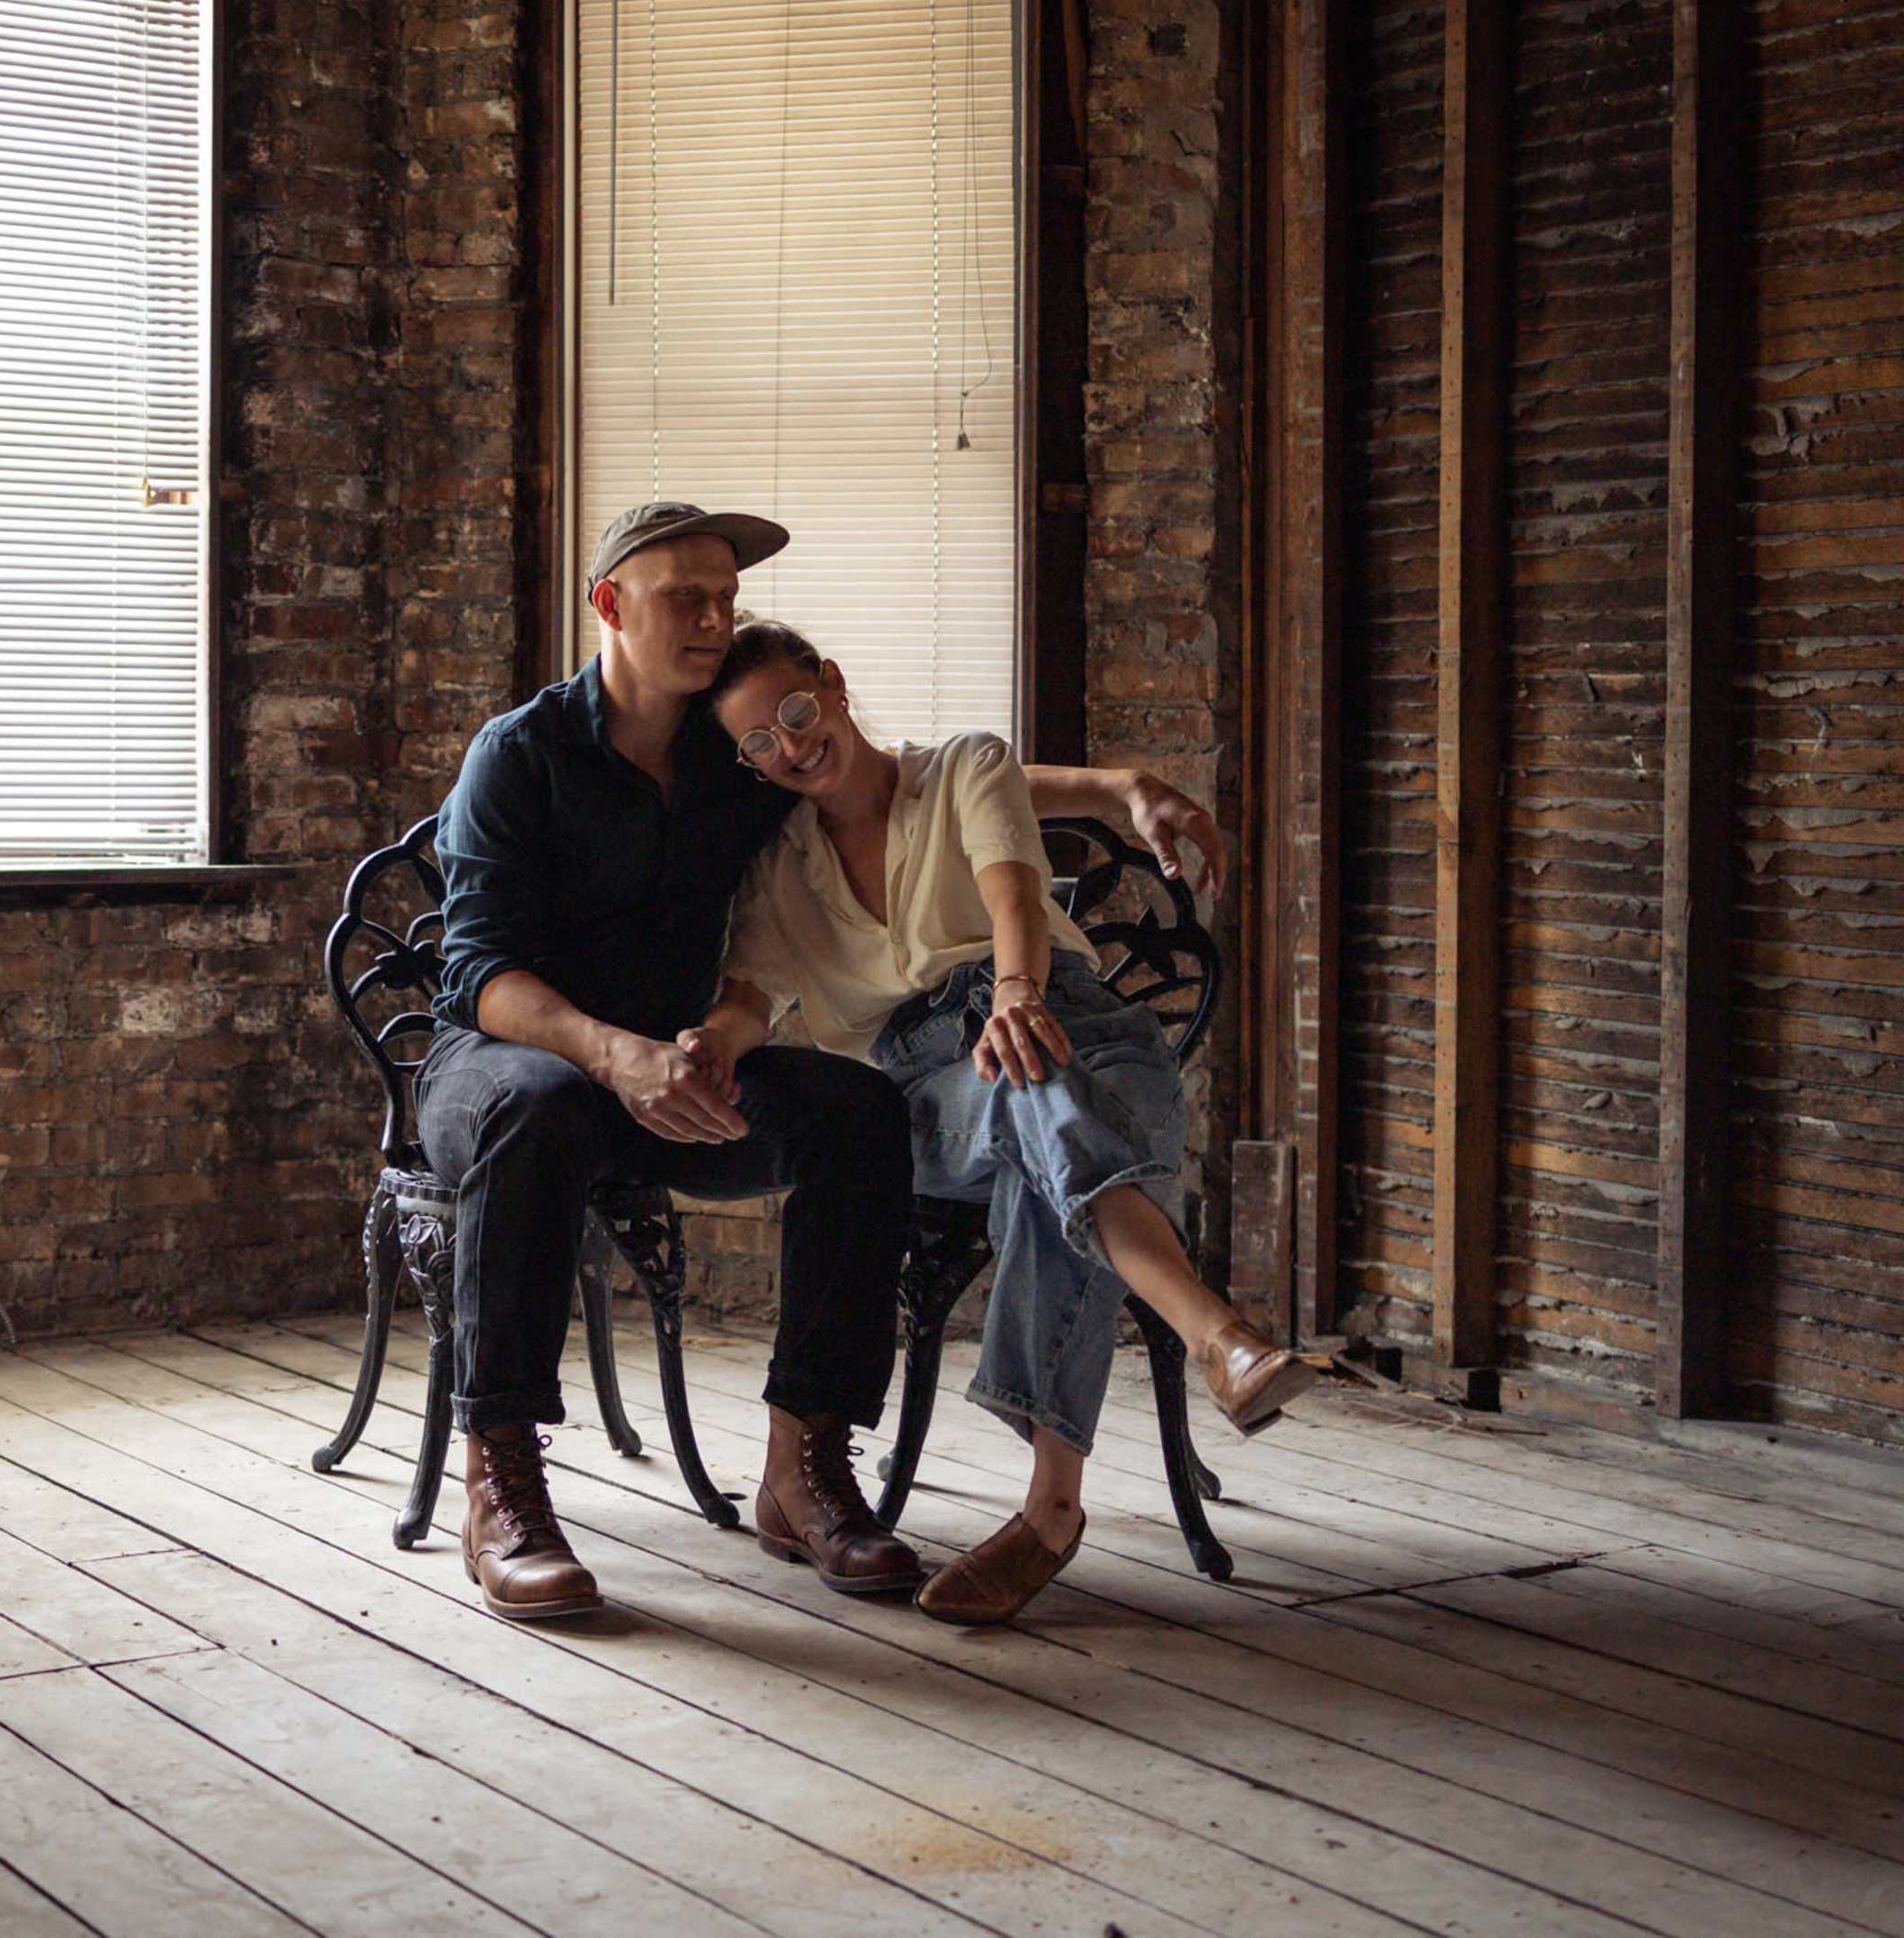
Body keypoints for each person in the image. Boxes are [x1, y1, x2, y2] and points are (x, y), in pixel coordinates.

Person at [418, 501, 1232, 1624]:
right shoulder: (520, 754)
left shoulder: (736, 754)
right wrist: (613, 1053)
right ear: (609, 605)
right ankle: (497, 1479)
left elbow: (910, 783)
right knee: (542, 1097)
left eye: (725, 599)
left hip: (687, 1066)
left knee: (853, 1107)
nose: (713, 618)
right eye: (683, 598)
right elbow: (478, 974)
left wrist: (1115, 785)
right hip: (514, 1061)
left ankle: (805, 1468)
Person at [707, 619, 1314, 1626]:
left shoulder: (966, 767)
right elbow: (750, 993)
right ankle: (1213, 1334)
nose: (789, 744)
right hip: (924, 1092)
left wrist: (1018, 993)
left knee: (1039, 1091)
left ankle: (1052, 1508)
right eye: (758, 741)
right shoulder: (776, 870)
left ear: (835, 684)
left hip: (1084, 1029)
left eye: (798, 711)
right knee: (1037, 1100)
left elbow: (1014, 891)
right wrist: (710, 1042)